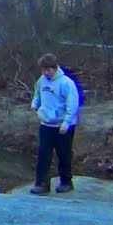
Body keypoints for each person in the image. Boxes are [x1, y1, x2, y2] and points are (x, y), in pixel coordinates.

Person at [29, 53, 80, 194]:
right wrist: (35, 104)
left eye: (48, 70)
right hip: (46, 123)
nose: (45, 73)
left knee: (64, 154)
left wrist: (66, 124)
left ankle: (66, 182)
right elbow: (37, 93)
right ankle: (42, 183)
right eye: (43, 70)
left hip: (63, 126)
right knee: (43, 153)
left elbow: (73, 105)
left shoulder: (66, 83)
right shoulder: (42, 80)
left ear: (55, 68)